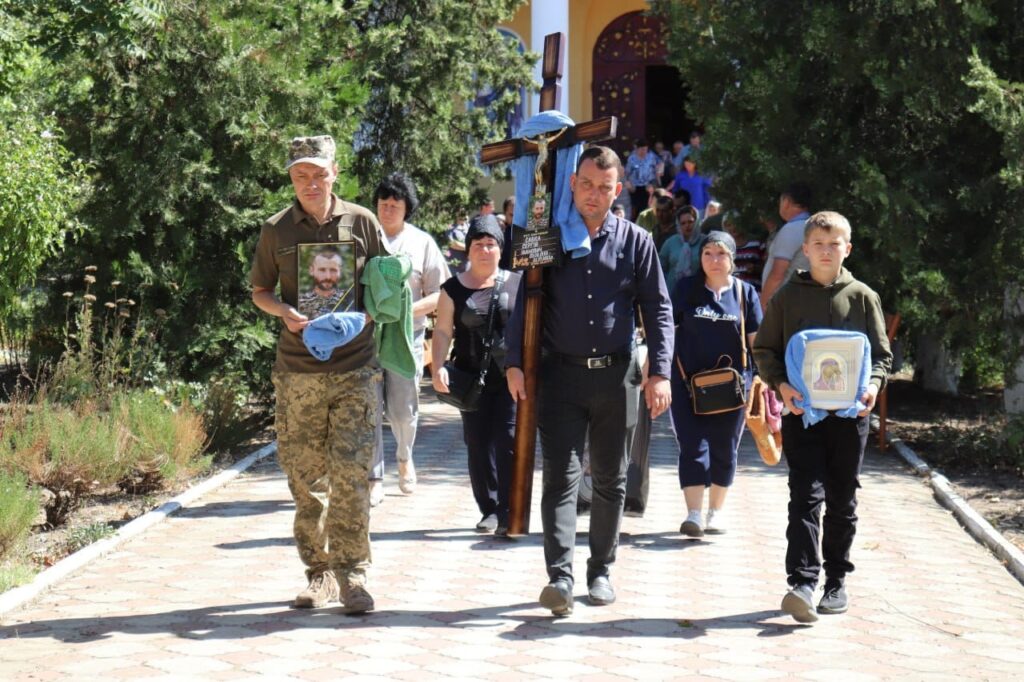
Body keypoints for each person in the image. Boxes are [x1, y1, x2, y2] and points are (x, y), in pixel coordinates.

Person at [506, 145, 674, 617]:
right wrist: (514, 361)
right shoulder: (548, 239)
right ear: (572, 184)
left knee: (610, 479)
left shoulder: (637, 242)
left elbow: (658, 308)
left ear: (617, 190)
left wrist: (660, 372)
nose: (593, 195)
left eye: (604, 187)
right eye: (586, 185)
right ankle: (560, 578)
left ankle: (600, 570)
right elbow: (525, 300)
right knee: (560, 479)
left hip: (617, 379)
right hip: (559, 378)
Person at [249, 135, 386, 614]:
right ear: (291, 178)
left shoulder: (362, 222)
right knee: (306, 481)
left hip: (355, 369)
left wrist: (368, 315)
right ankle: (319, 573)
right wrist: (284, 311)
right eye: (300, 175)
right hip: (298, 372)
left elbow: (388, 285)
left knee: (350, 476)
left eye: (319, 173)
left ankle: (353, 577)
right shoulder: (276, 229)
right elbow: (260, 291)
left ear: (335, 172)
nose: (310, 183)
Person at [752, 211, 893, 623]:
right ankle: (801, 582)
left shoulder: (863, 297)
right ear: (805, 250)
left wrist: (873, 386)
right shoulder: (787, 297)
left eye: (834, 244)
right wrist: (781, 385)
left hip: (850, 419)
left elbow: (881, 356)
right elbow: (765, 349)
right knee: (805, 496)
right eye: (818, 244)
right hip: (803, 415)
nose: (826, 251)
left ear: (848, 249)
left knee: (842, 499)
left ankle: (836, 581)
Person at [432, 215, 521, 536]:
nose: (485, 250)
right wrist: (438, 366)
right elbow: (443, 331)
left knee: (508, 441)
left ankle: (509, 509)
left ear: (500, 249)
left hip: (511, 379)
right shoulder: (453, 289)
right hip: (472, 381)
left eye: (491, 244)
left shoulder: (517, 283)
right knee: (478, 443)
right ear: (468, 249)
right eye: (478, 244)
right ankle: (490, 509)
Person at [670, 231, 762, 538]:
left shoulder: (745, 294)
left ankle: (715, 512)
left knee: (724, 447)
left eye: (721, 254)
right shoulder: (686, 289)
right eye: (708, 253)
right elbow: (667, 330)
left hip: (732, 387)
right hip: (687, 384)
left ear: (732, 259)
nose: (714, 260)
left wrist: (764, 378)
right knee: (692, 446)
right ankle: (693, 514)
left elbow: (756, 342)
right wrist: (653, 370)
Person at [368, 172, 450, 506]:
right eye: (383, 203)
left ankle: (404, 457)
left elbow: (441, 293)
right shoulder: (364, 237)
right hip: (368, 339)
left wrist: (405, 312)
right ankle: (374, 477)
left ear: (406, 209)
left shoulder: (421, 242)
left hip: (406, 337)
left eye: (395, 205)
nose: (387, 210)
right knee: (369, 407)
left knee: (402, 409)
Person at [761, 182, 813, 308]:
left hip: (785, 305)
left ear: (786, 202)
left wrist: (762, 304)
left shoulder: (791, 229)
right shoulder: (814, 227)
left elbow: (777, 274)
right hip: (806, 299)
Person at [658, 204, 703, 284]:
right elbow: (659, 267)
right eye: (683, 223)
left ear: (696, 222)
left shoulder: (705, 241)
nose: (687, 226)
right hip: (673, 288)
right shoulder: (670, 242)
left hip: (698, 287)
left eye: (690, 222)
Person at [298, 246, 347, 318]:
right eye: (322, 270)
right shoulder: (300, 302)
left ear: (340, 271)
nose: (328, 277)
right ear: (311, 270)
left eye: (333, 270)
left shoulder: (349, 300)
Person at [724, 212, 765, 289]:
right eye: (729, 225)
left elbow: (768, 267)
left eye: (736, 223)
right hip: (731, 291)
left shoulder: (757, 243)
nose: (733, 227)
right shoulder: (724, 247)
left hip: (755, 290)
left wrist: (755, 268)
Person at [624, 138, 659, 221]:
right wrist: (628, 183)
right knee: (635, 209)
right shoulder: (632, 158)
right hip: (635, 187)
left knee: (647, 207)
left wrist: (655, 181)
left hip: (648, 185)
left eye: (646, 149)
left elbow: (660, 164)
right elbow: (627, 172)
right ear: (637, 149)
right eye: (642, 149)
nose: (644, 152)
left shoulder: (651, 156)